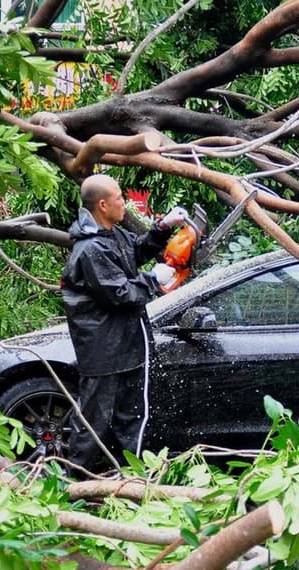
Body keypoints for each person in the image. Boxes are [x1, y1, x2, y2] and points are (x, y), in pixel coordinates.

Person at [60, 174, 188, 471]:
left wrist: (162, 229)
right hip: (106, 351)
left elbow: (137, 251)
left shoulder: (111, 235)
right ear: (102, 205)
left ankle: (129, 477)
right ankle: (75, 479)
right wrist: (154, 280)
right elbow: (119, 293)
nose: (124, 203)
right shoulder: (91, 249)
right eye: (119, 198)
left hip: (124, 347)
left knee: (128, 418)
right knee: (96, 420)